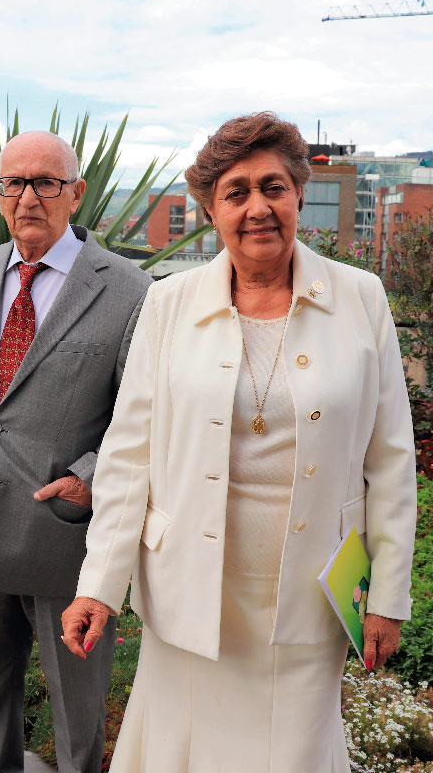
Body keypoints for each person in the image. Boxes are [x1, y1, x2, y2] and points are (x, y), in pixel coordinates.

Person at [62, 112, 417, 772]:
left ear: (298, 195)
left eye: (273, 187)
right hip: (189, 590)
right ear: (210, 210)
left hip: (312, 589)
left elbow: (390, 459)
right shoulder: (170, 304)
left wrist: (388, 595)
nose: (258, 207)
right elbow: (129, 455)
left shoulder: (361, 299)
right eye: (237, 192)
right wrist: (99, 587)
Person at [0, 130, 151, 773]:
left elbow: (144, 411)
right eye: (13, 183)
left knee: (78, 711)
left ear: (75, 193)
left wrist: (90, 478)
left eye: (46, 183)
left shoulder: (129, 289)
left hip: (65, 533)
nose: (29, 197)